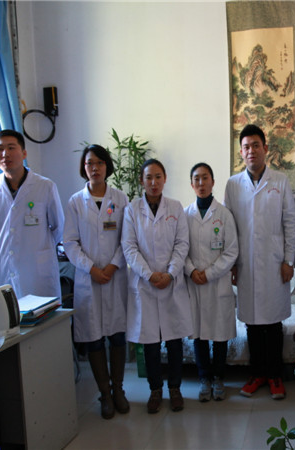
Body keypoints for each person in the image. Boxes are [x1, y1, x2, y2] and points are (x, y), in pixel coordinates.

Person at [224, 124, 295, 400]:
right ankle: (257, 375)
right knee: (253, 323)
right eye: (246, 147)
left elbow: (290, 222)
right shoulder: (233, 184)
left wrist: (289, 260)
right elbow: (228, 226)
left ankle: (275, 376)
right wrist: (232, 263)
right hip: (245, 263)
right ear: (241, 152)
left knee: (273, 322)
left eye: (256, 145)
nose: (251, 151)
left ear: (265, 148)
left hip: (275, 262)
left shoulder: (280, 181)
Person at [63, 144, 129, 419]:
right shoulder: (75, 202)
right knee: (93, 338)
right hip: (88, 279)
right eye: (90, 163)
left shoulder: (121, 199)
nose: (95, 168)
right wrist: (91, 269)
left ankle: (119, 390)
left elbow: (128, 239)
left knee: (117, 335)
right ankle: (105, 394)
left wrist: (112, 266)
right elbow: (70, 242)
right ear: (84, 167)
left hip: (115, 277)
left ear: (107, 166)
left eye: (100, 163)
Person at [121, 159, 193, 414]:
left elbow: (182, 244)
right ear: (142, 180)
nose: (153, 182)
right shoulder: (131, 210)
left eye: (158, 177)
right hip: (145, 285)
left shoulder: (175, 207)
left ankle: (175, 389)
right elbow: (129, 247)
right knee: (149, 343)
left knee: (174, 342)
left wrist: (170, 273)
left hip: (171, 283)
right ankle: (155, 390)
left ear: (165, 179)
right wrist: (150, 275)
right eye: (149, 177)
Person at [0, 129, 64, 299]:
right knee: (4, 313)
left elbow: (58, 227)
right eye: (0, 149)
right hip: (1, 270)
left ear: (24, 153)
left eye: (11, 148)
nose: (5, 154)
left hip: (36, 271)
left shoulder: (45, 186)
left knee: (41, 313)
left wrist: (37, 248)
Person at [185, 163, 238, 402]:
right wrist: (191, 271)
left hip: (217, 283)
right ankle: (204, 377)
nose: (201, 183)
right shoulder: (185, 215)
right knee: (199, 334)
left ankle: (218, 378)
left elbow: (231, 251)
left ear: (213, 182)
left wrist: (209, 273)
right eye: (196, 179)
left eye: (205, 178)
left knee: (219, 334)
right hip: (194, 283)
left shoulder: (224, 215)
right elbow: (180, 249)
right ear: (192, 184)